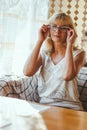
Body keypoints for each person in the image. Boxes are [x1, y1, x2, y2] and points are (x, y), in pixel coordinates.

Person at [23, 13, 86, 111]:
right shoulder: (45, 53)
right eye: (54, 26)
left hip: (70, 107)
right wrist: (40, 41)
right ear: (48, 29)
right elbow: (27, 72)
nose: (57, 31)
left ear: (70, 31)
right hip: (45, 106)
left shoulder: (79, 54)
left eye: (63, 28)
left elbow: (67, 76)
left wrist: (70, 44)